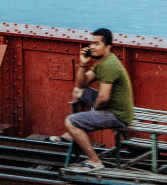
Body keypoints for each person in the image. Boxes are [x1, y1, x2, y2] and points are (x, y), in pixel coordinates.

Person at [49, 27, 133, 174]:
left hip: (117, 115)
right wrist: (83, 63)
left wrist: (94, 111)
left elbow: (104, 97)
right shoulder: (102, 62)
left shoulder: (109, 65)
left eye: (97, 44)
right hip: (112, 107)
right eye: (91, 43)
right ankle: (73, 133)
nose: (92, 47)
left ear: (107, 47)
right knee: (79, 92)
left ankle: (95, 160)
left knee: (71, 121)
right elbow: (81, 84)